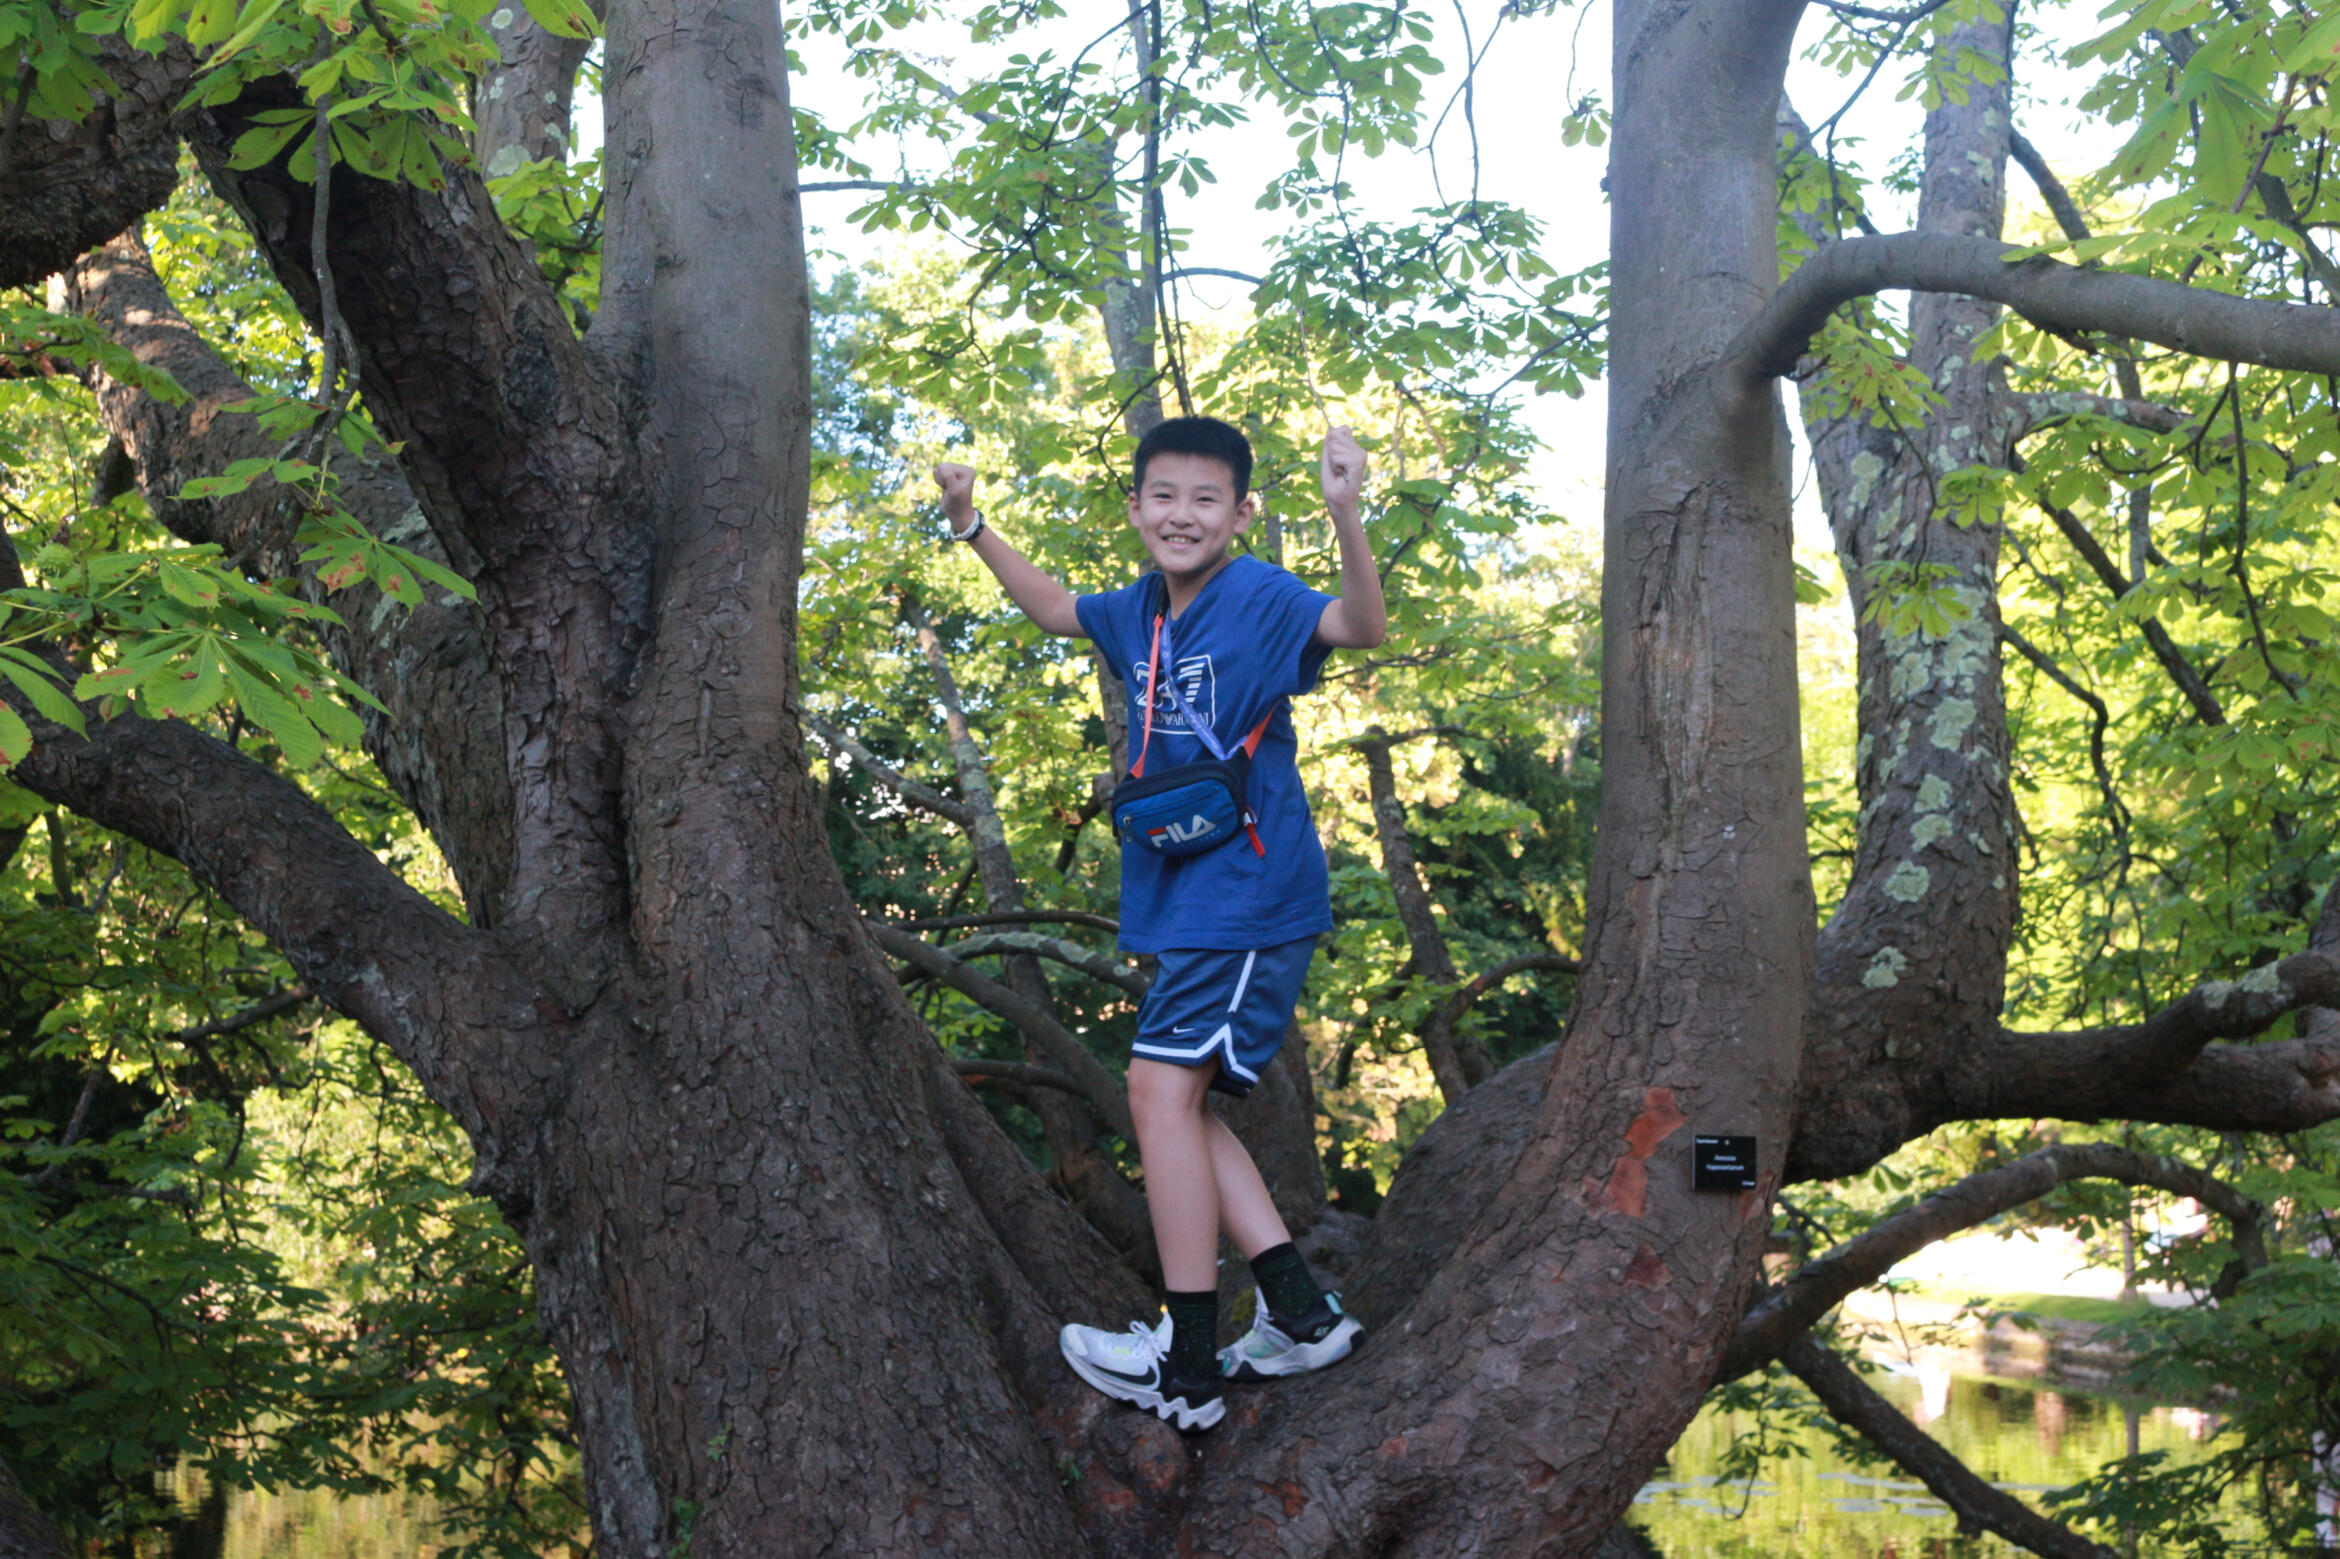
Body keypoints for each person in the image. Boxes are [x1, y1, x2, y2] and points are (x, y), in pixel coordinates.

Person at [931, 415, 1386, 1434]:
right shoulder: (1138, 606)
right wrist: (972, 525)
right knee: (1184, 1103)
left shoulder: (1262, 596)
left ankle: (1184, 1362)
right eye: (1164, 495)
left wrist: (1347, 513)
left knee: (1153, 1089)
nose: (1183, 513)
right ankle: (1299, 1314)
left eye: (1207, 497)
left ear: (1242, 512)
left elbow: (1362, 627)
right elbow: (1053, 608)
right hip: (1189, 896)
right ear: (1136, 507)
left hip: (1251, 895)